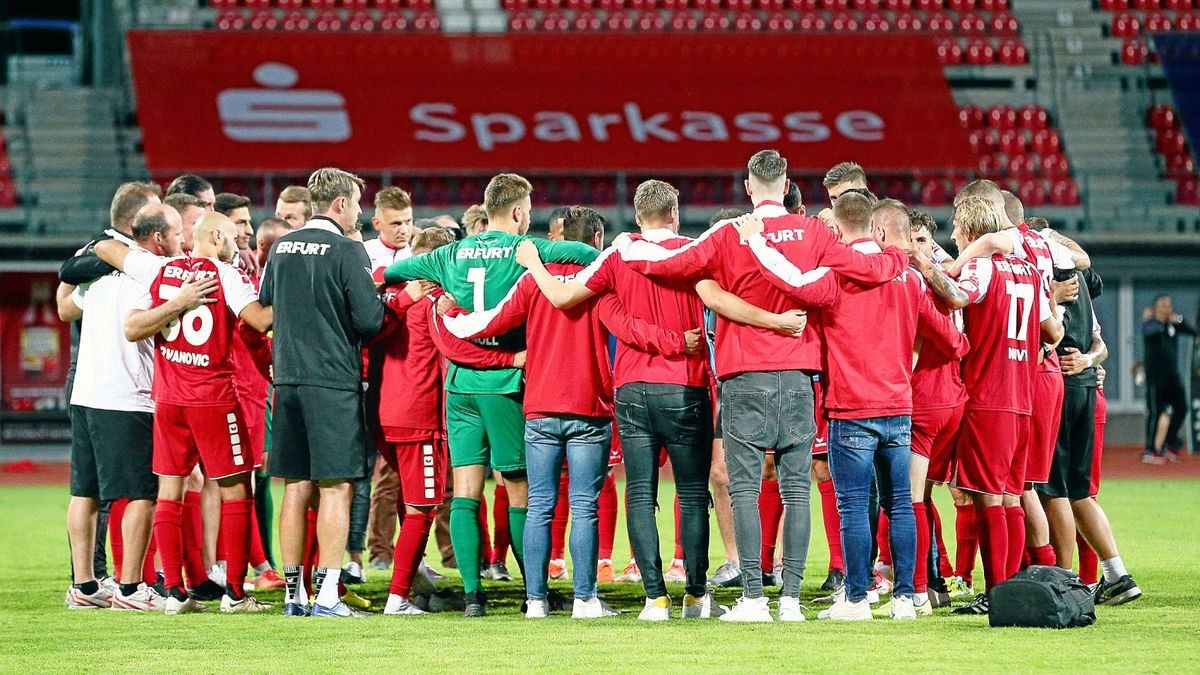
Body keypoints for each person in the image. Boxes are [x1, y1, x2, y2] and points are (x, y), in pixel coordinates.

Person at [616, 150, 909, 622]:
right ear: (787, 183)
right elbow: (867, 269)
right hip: (797, 379)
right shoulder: (815, 231)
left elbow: (664, 264)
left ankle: (754, 598)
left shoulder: (730, 233)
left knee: (745, 491)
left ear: (749, 188)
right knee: (797, 491)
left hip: (743, 376)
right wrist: (899, 252)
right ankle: (790, 600)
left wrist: (626, 244)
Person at [446, 206, 691, 619]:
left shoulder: (531, 280)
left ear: (557, 236)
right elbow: (628, 327)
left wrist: (450, 311)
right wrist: (676, 342)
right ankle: (584, 600)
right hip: (588, 407)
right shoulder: (600, 281)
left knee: (540, 504)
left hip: (540, 405)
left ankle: (536, 601)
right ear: (596, 240)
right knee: (585, 505)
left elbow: (489, 323)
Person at [382, 173, 601, 618]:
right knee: (519, 491)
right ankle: (532, 591)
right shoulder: (529, 249)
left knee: (464, 491)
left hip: (459, 383)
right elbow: (588, 254)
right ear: (519, 212)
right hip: (506, 381)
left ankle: (472, 595)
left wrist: (424, 282)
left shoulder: (450, 252)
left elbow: (393, 272)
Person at [741, 196, 967, 621]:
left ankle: (858, 599)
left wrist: (757, 244)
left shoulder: (835, 277)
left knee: (852, 506)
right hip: (899, 408)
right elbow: (953, 338)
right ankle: (905, 599)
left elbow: (792, 283)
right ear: (876, 230)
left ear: (838, 230)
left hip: (851, 410)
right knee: (901, 503)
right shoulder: (908, 278)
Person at [95, 212, 275, 614]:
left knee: (169, 491)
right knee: (235, 490)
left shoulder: (159, 270)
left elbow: (133, 325)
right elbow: (260, 320)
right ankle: (234, 593)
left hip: (169, 401)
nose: (237, 245)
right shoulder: (225, 274)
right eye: (232, 236)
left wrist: (174, 302)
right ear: (214, 235)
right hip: (213, 398)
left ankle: (175, 593)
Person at [259, 167, 385, 619]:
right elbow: (370, 322)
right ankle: (329, 593)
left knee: (295, 485)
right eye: (355, 203)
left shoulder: (281, 249)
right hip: (332, 381)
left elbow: (267, 307)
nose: (359, 212)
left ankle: (294, 594)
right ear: (339, 204)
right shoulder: (349, 250)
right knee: (335, 487)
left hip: (287, 379)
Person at [375, 226, 521, 615]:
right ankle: (397, 597)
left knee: (416, 502)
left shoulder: (391, 298)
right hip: (420, 415)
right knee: (424, 506)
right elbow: (458, 347)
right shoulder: (434, 303)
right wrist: (511, 359)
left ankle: (416, 581)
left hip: (384, 413)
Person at [940, 196, 1063, 616]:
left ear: (971, 230)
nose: (953, 235)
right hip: (1023, 397)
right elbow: (1053, 329)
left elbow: (959, 297)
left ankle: (996, 596)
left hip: (987, 397)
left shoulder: (980, 264)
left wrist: (930, 270)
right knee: (1011, 497)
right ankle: (1007, 591)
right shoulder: (1029, 271)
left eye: (957, 227)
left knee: (988, 500)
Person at [63, 195, 184, 612]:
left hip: (86, 392)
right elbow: (134, 327)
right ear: (156, 237)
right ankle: (131, 589)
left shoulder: (98, 275)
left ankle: (84, 586)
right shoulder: (147, 273)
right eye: (177, 233)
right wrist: (178, 304)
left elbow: (66, 306)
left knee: (85, 493)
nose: (182, 241)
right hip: (125, 395)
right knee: (140, 494)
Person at [1141, 294, 1195, 463]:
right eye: (1163, 305)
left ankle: (1169, 443)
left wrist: (1177, 319)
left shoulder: (1174, 325)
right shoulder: (1150, 324)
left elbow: (1193, 331)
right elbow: (1150, 331)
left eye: (1169, 305)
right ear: (1155, 308)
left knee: (1182, 407)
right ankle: (1150, 450)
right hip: (1156, 378)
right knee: (1156, 412)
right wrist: (1161, 322)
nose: (1167, 308)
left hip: (1173, 376)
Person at [364, 187, 416, 281]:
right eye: (396, 224)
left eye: (408, 222)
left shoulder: (420, 257)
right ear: (377, 224)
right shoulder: (363, 253)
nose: (404, 230)